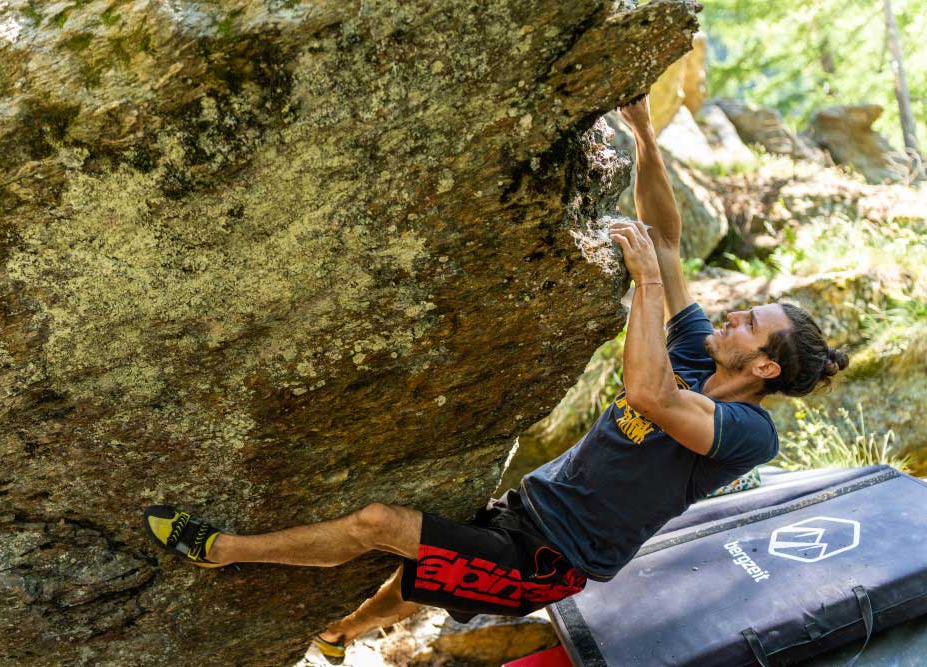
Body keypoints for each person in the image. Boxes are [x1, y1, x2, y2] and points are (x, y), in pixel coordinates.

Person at [142, 96, 849, 664]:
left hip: (549, 559)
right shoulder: (700, 351)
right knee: (422, 575)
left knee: (379, 526)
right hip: (529, 504)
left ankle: (220, 549)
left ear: (764, 366)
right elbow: (665, 239)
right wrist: (647, 140)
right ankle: (343, 634)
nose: (730, 314)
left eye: (750, 321)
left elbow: (649, 395)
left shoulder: (749, 435)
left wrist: (648, 290)